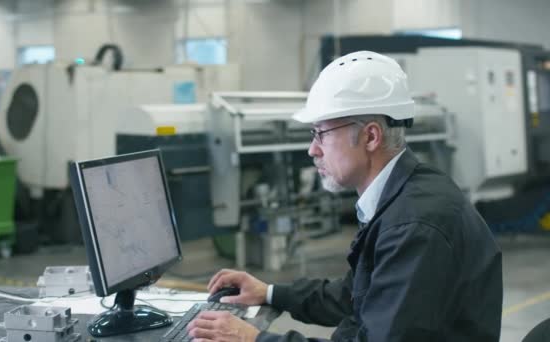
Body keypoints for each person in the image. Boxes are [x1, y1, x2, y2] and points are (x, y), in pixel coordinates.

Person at [186, 51, 503, 341]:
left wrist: (254, 339)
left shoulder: (414, 226)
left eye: (321, 133)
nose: (313, 149)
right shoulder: (404, 194)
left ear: (370, 136)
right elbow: (356, 294)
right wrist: (269, 293)